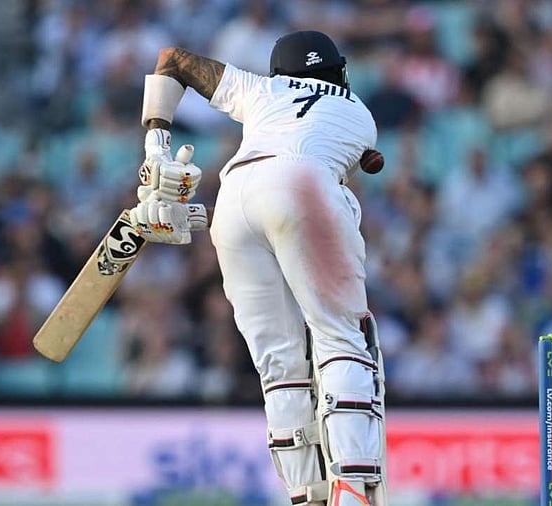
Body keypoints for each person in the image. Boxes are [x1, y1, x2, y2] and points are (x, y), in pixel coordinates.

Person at [125, 31, 387, 506]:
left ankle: (305, 494)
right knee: (340, 337)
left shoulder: (263, 90)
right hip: (303, 183)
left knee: (279, 366)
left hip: (234, 197)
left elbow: (172, 60)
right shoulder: (357, 110)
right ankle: (352, 492)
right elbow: (358, 164)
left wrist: (156, 155)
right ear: (335, 71)